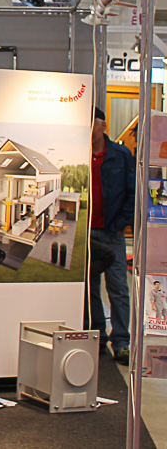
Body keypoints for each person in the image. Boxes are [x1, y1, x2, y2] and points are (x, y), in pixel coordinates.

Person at [87, 107, 134, 364]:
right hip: (87, 233)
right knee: (90, 288)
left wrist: (121, 223)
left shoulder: (120, 155)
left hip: (111, 232)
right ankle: (97, 337)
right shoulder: (81, 153)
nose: (88, 130)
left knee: (117, 288)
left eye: (92, 124)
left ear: (102, 126)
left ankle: (122, 341)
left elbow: (132, 191)